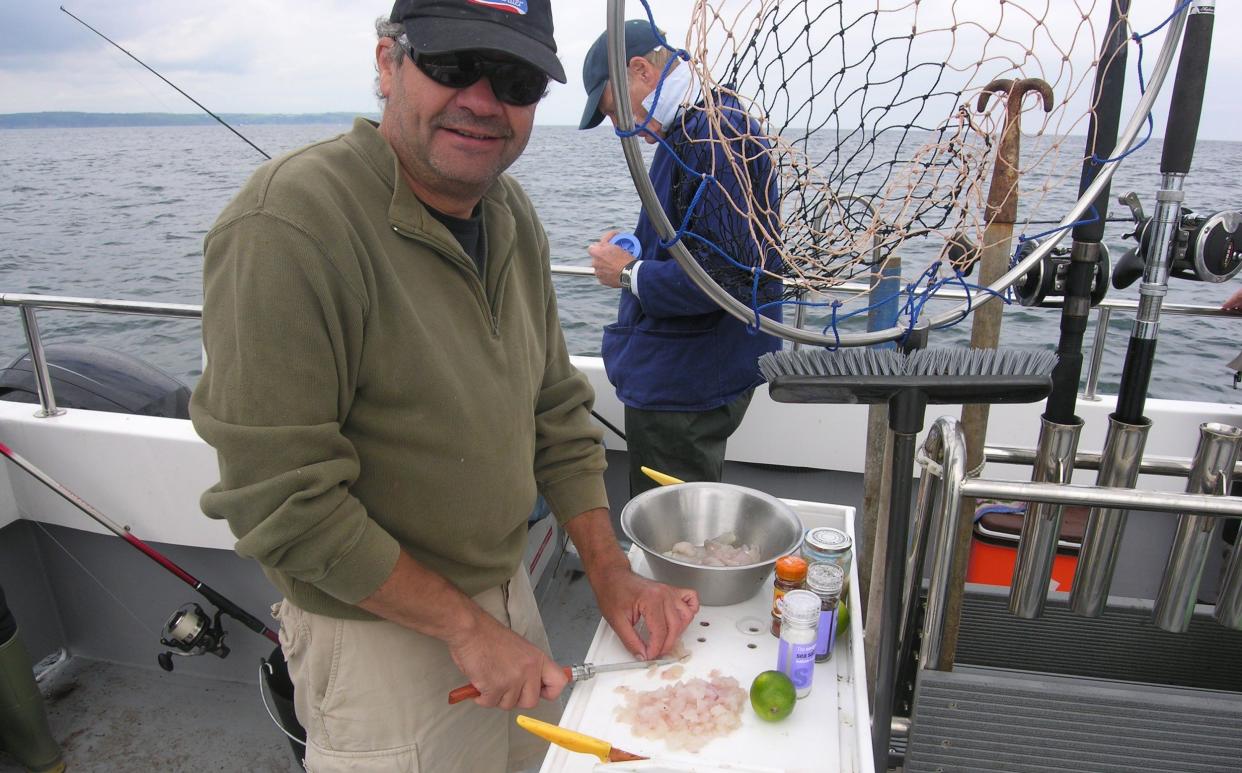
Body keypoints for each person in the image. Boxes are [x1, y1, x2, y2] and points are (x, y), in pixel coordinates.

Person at [189, 2, 698, 771]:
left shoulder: (512, 215)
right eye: (455, 65)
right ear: (388, 63)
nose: (485, 100)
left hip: (506, 599)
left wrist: (610, 570)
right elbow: (280, 502)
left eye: (517, 78)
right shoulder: (286, 225)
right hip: (376, 638)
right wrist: (464, 628)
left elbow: (555, 412)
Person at [579, 20, 784, 497]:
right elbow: (705, 241)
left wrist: (627, 272)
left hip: (683, 387)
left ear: (641, 71)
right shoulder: (701, 123)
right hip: (694, 369)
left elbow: (723, 280)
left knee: (671, 535)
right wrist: (636, 246)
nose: (620, 128)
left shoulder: (709, 136)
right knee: (684, 521)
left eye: (615, 111)